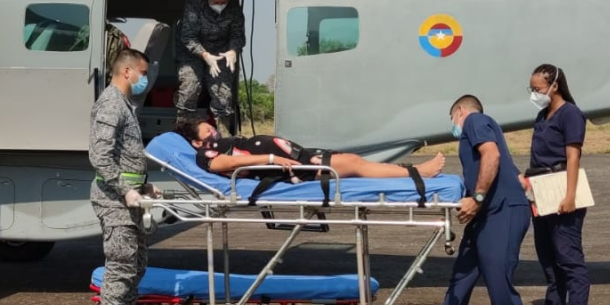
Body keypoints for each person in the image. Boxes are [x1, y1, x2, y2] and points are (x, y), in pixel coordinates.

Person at [407, 95, 539, 305]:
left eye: (453, 119)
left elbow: (491, 155)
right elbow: (508, 169)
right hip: (487, 214)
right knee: (461, 279)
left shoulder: (475, 121)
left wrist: (477, 198)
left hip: (500, 212)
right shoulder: (488, 128)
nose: (454, 126)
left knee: (497, 279)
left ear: (459, 112)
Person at [88, 48, 164, 305]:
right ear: (127, 71)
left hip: (129, 198)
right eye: (142, 73)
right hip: (114, 200)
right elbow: (100, 156)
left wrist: (142, 187)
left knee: (136, 264)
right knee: (120, 267)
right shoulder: (110, 104)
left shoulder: (126, 105)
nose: (145, 78)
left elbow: (125, 156)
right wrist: (124, 190)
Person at [524, 63, 591, 305]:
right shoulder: (543, 115)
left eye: (538, 88)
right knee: (548, 256)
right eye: (532, 88)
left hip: (561, 188)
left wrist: (570, 195)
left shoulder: (571, 115)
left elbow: (573, 156)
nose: (534, 93)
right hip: (540, 190)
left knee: (569, 258)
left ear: (555, 86)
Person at [176, 116, 445, 180]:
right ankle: (417, 172)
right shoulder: (205, 154)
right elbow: (227, 165)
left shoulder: (216, 143)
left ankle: (413, 171)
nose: (214, 131)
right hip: (294, 168)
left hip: (299, 157)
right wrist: (271, 158)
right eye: (208, 132)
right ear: (198, 142)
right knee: (354, 165)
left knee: (352, 160)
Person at [176, 0, 246, 135]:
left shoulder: (233, 8)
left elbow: (237, 34)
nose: (220, 5)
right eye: (216, 2)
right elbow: (188, 37)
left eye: (223, 2)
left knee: (223, 94)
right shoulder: (194, 5)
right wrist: (204, 55)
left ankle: (224, 135)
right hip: (191, 52)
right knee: (190, 87)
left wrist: (233, 50)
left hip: (220, 51)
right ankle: (183, 131)